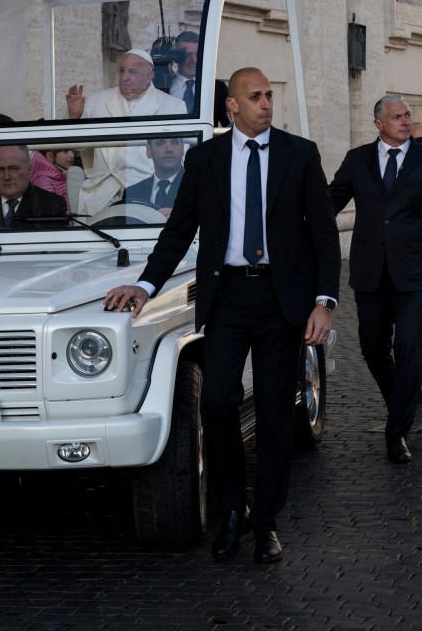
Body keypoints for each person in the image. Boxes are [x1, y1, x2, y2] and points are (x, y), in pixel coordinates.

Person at [104, 67, 340, 565]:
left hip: (282, 299)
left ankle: (268, 522)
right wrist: (145, 285)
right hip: (227, 296)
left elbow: (324, 233)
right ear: (231, 106)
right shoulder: (206, 158)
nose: (266, 104)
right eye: (255, 97)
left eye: (269, 95)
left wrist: (324, 303)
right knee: (217, 402)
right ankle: (235, 510)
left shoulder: (300, 154)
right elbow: (179, 229)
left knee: (276, 412)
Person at [329, 96, 422, 465]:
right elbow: (328, 203)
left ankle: (396, 432)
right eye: (397, 117)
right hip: (370, 272)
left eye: (407, 116)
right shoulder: (357, 160)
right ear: (378, 124)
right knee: (372, 348)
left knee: (408, 349)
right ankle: (401, 400)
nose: (405, 122)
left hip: (417, 274)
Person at [64, 49, 187, 216]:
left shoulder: (173, 106)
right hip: (102, 191)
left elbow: (179, 159)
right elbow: (77, 147)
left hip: (148, 190)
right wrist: (75, 118)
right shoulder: (95, 101)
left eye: (132, 72)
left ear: (149, 76)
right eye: (122, 71)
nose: (125, 77)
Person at [0, 144, 69, 227]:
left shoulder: (51, 204)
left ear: (30, 170)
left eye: (14, 169)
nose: (6, 177)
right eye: (0, 169)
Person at [123, 137, 185, 217]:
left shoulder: (197, 187)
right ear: (149, 150)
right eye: (160, 143)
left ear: (182, 148)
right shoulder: (131, 194)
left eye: (174, 142)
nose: (169, 149)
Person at [167, 31, 200, 114]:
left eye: (198, 54)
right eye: (188, 54)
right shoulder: (163, 87)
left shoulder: (216, 88)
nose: (194, 60)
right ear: (176, 56)